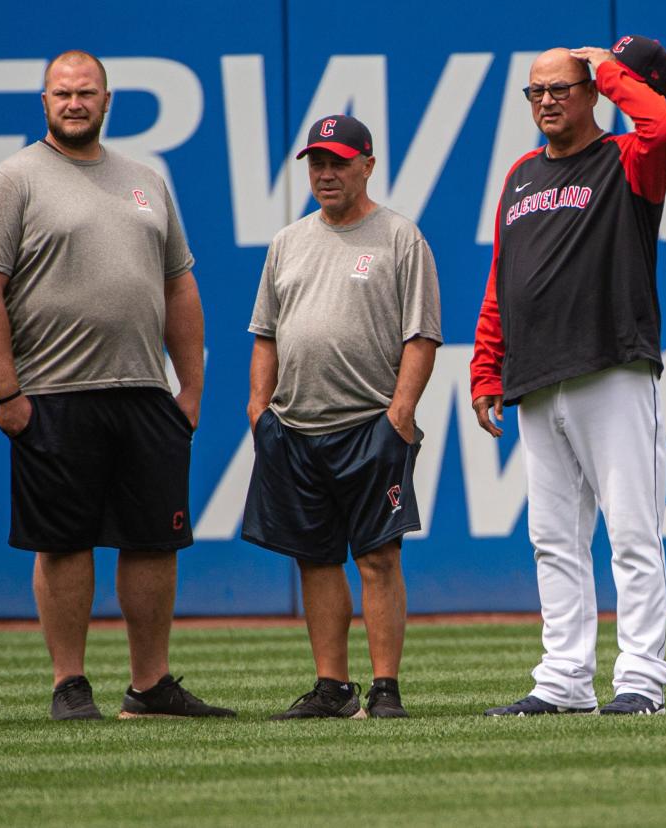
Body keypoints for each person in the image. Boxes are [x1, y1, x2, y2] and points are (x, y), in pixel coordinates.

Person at [0, 50, 233, 721]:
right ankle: (69, 684)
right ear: (44, 101)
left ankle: (151, 685)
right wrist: (6, 393)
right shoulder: (11, 180)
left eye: (86, 92)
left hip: (143, 389)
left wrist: (189, 389)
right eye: (62, 93)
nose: (74, 103)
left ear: (108, 100)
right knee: (66, 541)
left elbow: (179, 285)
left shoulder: (145, 181)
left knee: (152, 539)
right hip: (53, 391)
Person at [471, 37, 666, 716]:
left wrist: (611, 68)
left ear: (593, 91)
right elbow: (503, 278)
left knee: (631, 533)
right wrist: (485, 363)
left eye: (563, 87)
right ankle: (563, 682)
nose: (547, 101)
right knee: (553, 541)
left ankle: (640, 681)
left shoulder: (627, 160)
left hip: (611, 364)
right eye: (536, 90)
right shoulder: (520, 174)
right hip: (535, 375)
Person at [242, 114, 441, 721]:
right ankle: (333, 688)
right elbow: (265, 334)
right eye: (316, 163)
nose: (325, 173)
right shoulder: (288, 242)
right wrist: (259, 409)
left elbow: (422, 335)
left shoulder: (400, 238)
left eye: (338, 162)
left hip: (368, 424)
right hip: (296, 426)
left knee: (379, 557)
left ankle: (385, 689)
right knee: (316, 557)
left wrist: (400, 413)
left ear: (367, 165)